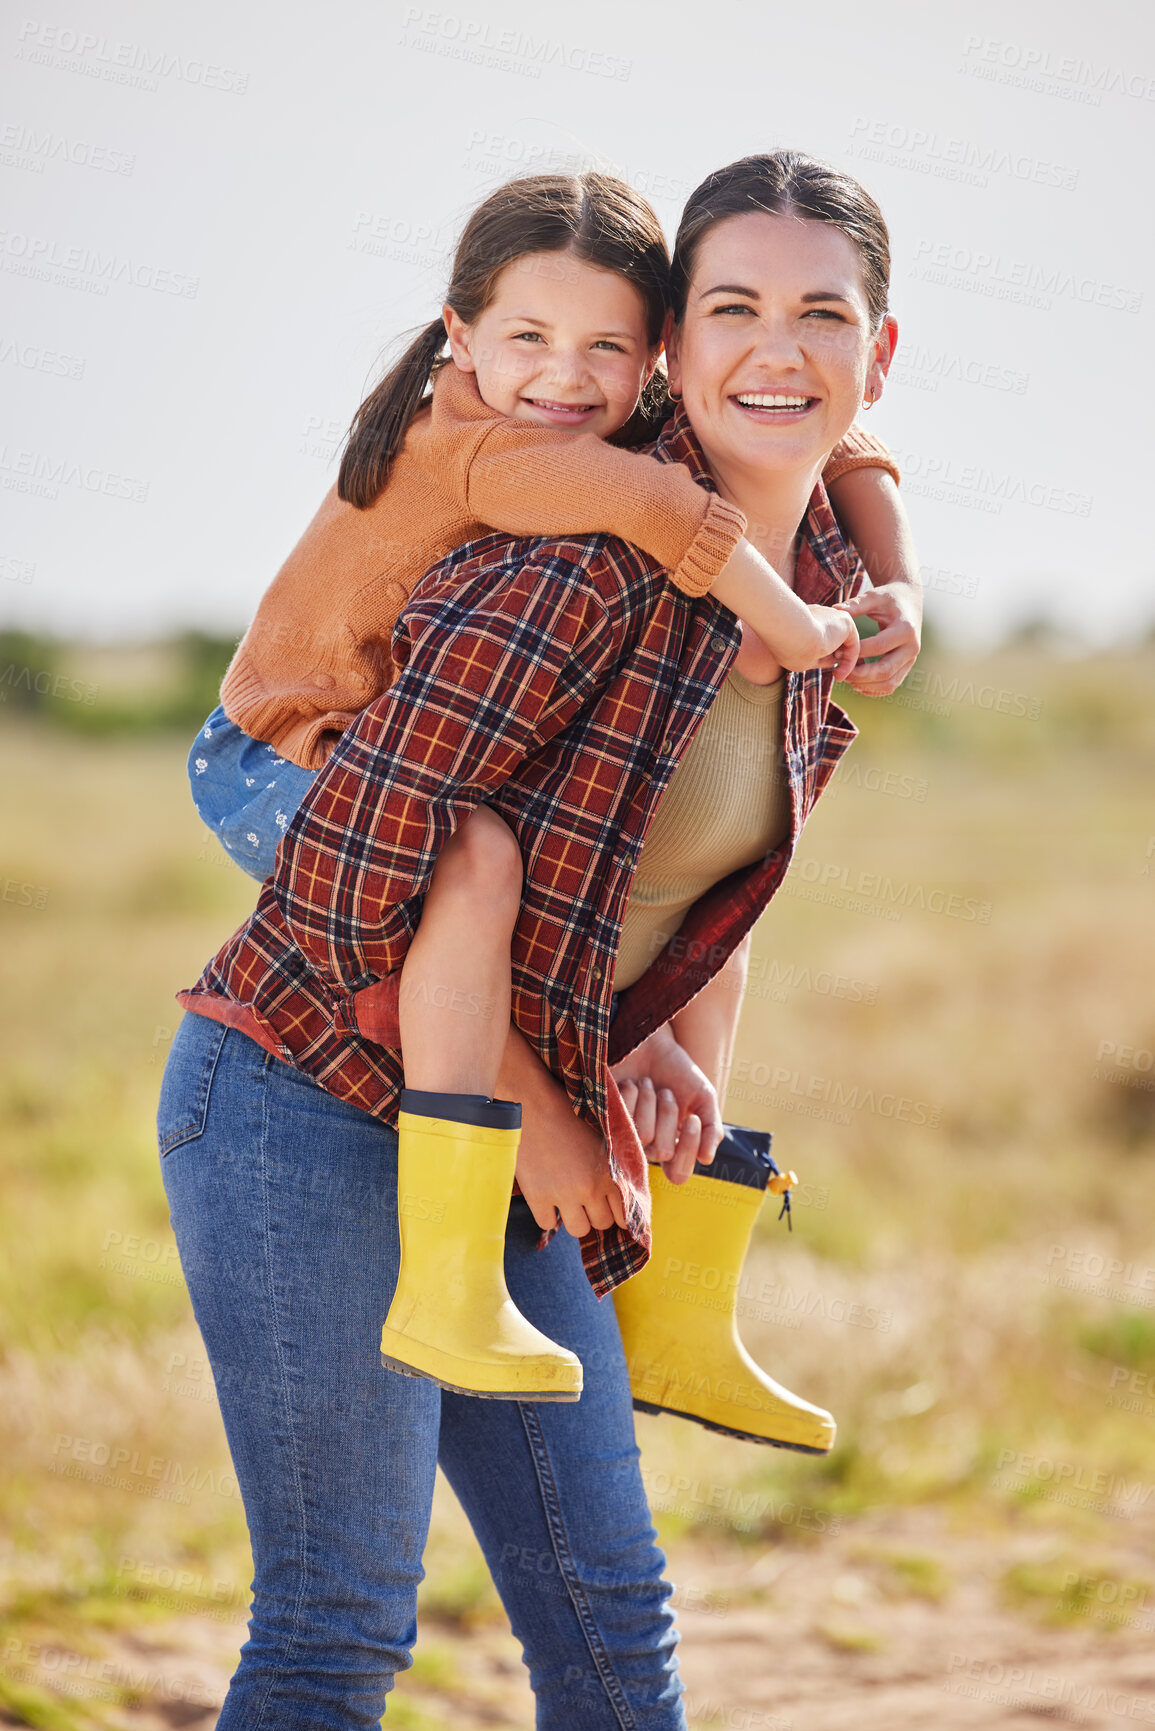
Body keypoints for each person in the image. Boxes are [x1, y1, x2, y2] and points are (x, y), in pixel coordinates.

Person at [158, 151, 918, 1727]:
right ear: (682, 350)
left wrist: (640, 1040)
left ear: (877, 351)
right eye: (735, 308)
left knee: (612, 1621)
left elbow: (658, 878)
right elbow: (363, 872)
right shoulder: (561, 568)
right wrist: (554, 1110)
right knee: (340, 1627)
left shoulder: (826, 594)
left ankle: (683, 1297)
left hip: (512, 1119)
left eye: (820, 315)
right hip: (308, 1088)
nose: (777, 349)